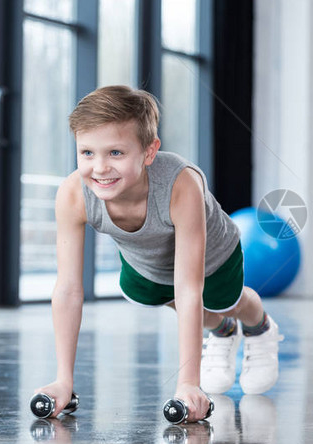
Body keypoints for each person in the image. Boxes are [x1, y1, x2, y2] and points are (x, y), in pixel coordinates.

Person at [35, 85, 283, 422]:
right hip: (147, 263)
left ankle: (259, 326)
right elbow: (67, 289)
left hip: (212, 259)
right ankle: (223, 330)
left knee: (227, 303)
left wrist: (188, 384)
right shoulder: (73, 194)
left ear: (149, 152)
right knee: (167, 301)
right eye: (87, 153)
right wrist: (64, 380)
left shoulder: (181, 185)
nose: (100, 167)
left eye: (116, 153)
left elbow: (189, 287)